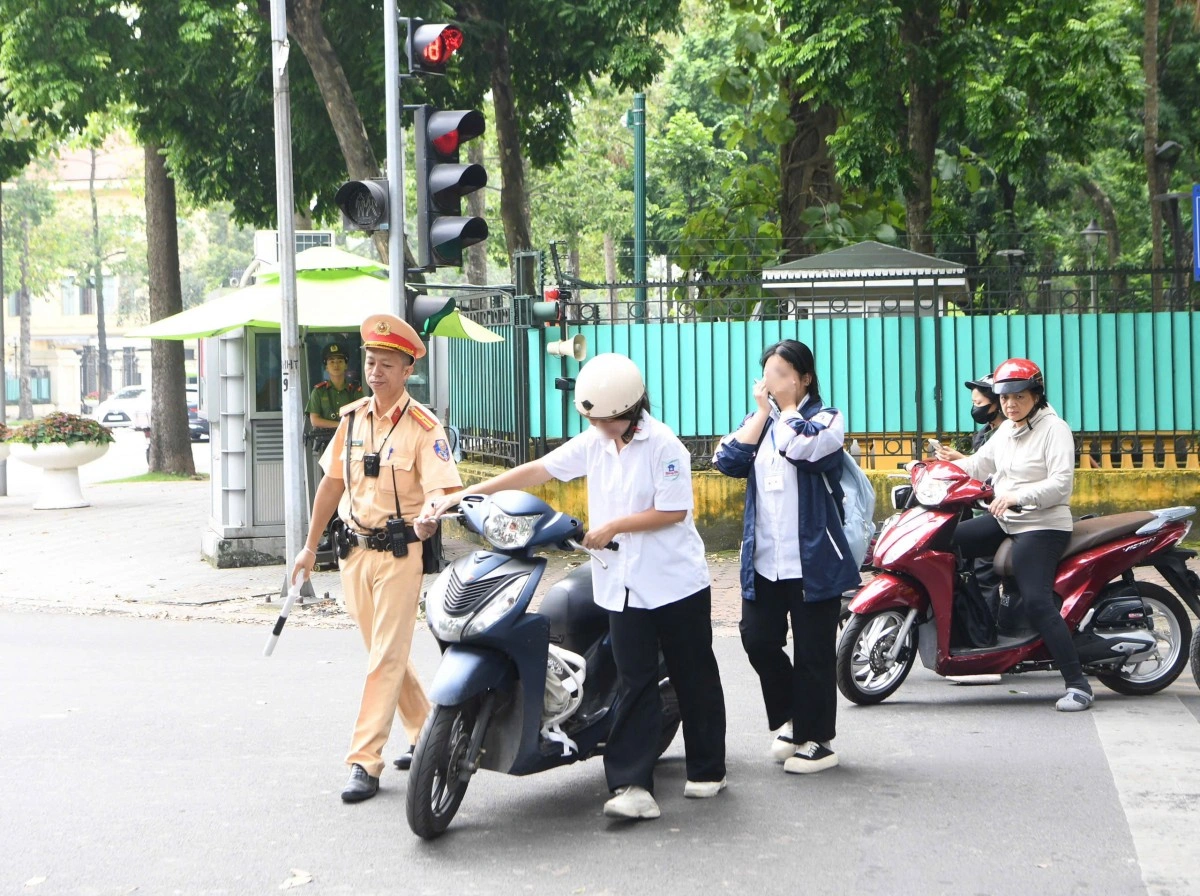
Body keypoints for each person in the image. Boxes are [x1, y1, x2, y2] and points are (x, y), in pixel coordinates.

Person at [429, 353, 727, 821]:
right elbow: (539, 470)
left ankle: (708, 768)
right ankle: (632, 784)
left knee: (695, 675)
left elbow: (673, 512)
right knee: (634, 680)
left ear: (629, 411)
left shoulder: (665, 446)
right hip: (621, 584)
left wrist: (613, 527)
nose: (599, 427)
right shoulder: (594, 441)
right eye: (593, 420)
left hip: (673, 583)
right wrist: (470, 494)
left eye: (606, 420)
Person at [290, 313, 463, 802]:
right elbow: (331, 484)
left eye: (386, 364)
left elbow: (444, 491)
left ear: (408, 370)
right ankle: (430, 732)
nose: (375, 371)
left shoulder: (425, 427)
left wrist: (432, 514)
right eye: (371, 361)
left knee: (385, 656)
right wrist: (309, 547)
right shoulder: (351, 418)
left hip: (399, 553)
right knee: (383, 654)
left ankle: (364, 760)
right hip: (353, 552)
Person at [713, 340, 861, 775]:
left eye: (781, 374)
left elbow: (805, 450)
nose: (771, 382)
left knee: (814, 653)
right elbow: (727, 460)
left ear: (805, 378)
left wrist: (789, 410)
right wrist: (762, 413)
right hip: (765, 560)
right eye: (767, 374)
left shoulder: (826, 419)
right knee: (757, 639)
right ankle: (796, 720)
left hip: (813, 561)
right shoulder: (761, 422)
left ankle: (820, 740)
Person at [934, 357, 1093, 712]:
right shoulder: (1006, 429)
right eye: (1005, 397)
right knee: (945, 542)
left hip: (1043, 526)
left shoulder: (1056, 430)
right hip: (1005, 519)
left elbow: (1061, 485)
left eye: (1018, 396)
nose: (1010, 404)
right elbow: (978, 464)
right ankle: (977, 632)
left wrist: (1017, 496)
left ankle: (1078, 685)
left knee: (1037, 601)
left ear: (1036, 394)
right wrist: (933, 468)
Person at [306, 343, 363, 431]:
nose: (336, 365)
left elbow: (362, 417)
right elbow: (314, 420)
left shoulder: (355, 391)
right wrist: (340, 425)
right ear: (326, 367)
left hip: (349, 439)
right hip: (324, 442)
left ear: (346, 365)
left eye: (340, 361)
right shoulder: (319, 392)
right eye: (331, 362)